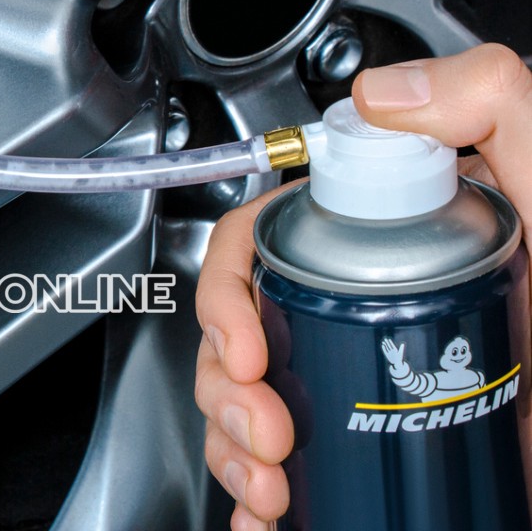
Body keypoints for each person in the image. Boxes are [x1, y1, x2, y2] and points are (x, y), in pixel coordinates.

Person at [193, 43, 532, 531]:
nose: (458, 352)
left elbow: (421, 385)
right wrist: (399, 366)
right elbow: (419, 384)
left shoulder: (496, 271)